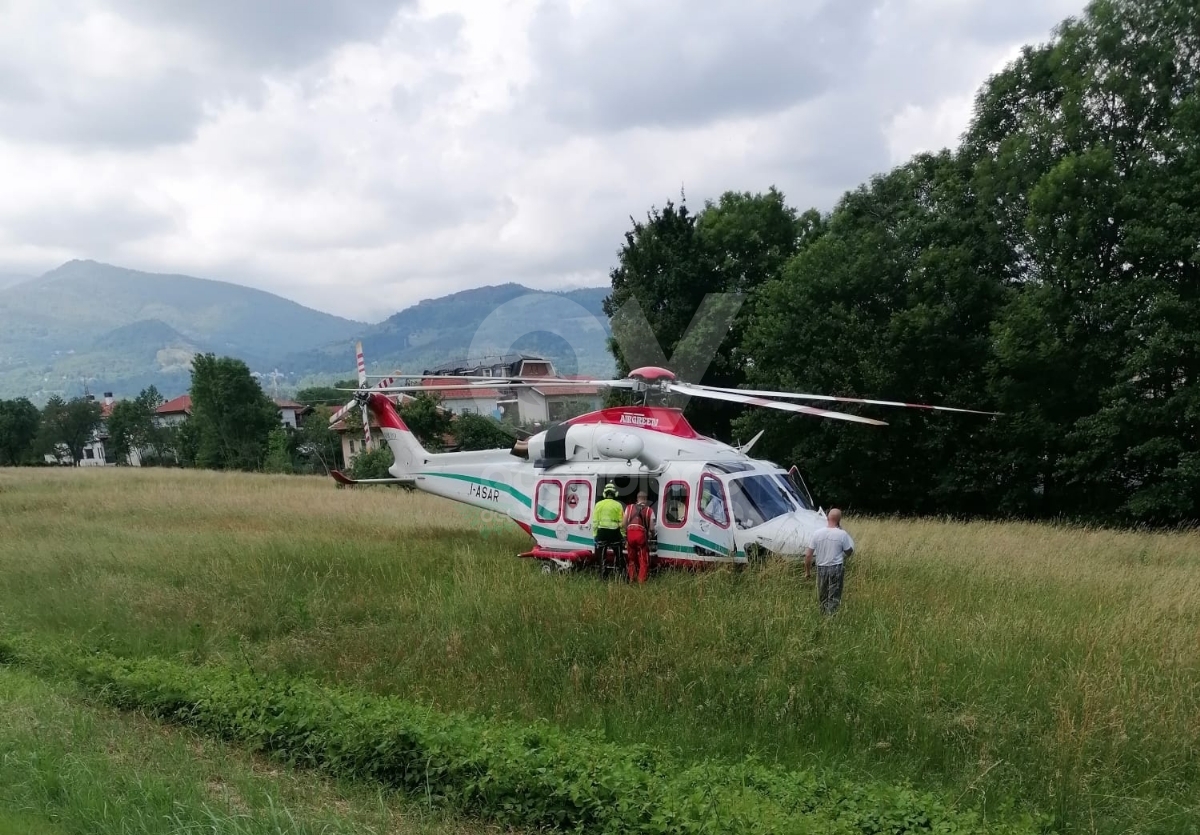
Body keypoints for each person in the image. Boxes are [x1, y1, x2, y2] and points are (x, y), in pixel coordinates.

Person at [804, 508, 855, 615]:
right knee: (834, 596)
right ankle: (831, 618)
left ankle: (822, 616)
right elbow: (849, 552)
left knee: (822, 596)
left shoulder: (817, 534)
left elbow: (808, 555)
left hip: (821, 568)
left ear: (827, 518)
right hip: (836, 567)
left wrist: (807, 572)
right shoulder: (842, 534)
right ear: (839, 520)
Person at [622, 490, 655, 583]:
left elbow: (624, 523)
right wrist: (651, 534)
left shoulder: (629, 507)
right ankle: (641, 581)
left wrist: (627, 533)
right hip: (641, 536)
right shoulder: (649, 510)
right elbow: (652, 527)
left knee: (631, 559)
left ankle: (632, 578)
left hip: (630, 535)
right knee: (643, 560)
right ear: (645, 499)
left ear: (637, 499)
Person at [592, 482, 625, 569]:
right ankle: (621, 574)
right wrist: (623, 535)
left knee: (602, 556)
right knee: (619, 555)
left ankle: (603, 575)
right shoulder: (618, 505)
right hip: (614, 533)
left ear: (604, 493)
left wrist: (595, 535)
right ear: (615, 494)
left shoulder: (598, 504)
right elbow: (621, 522)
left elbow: (595, 522)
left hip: (602, 532)